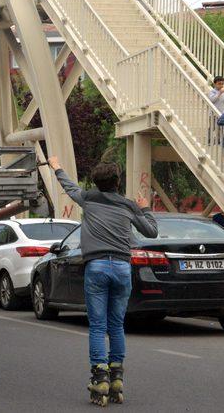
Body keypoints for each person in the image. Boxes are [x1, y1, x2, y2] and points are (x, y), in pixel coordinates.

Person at [47, 157, 158, 406]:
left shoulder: (89, 198)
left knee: (98, 326)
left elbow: (69, 187)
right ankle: (117, 375)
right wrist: (145, 207)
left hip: (96, 266)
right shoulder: (129, 206)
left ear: (96, 182)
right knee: (116, 324)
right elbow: (152, 231)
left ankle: (100, 378)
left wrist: (56, 166)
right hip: (121, 267)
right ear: (117, 182)